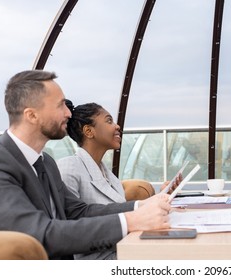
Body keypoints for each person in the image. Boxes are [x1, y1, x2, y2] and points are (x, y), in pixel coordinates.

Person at [0, 70, 171, 260]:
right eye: (60, 105)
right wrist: (130, 221)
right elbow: (39, 234)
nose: (69, 113)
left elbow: (79, 211)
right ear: (32, 115)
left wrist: (140, 206)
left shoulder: (46, 163)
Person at [57, 101, 180, 259]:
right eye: (109, 121)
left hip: (124, 248)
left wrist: (161, 196)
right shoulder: (69, 167)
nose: (117, 126)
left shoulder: (109, 176)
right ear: (88, 131)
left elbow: (122, 211)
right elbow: (69, 226)